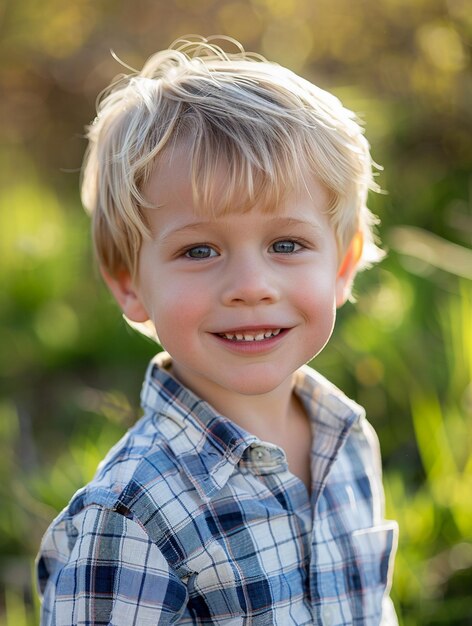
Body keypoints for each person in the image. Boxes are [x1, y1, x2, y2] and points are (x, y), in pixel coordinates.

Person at [36, 35, 398, 625]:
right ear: (129, 282)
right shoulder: (131, 517)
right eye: (199, 249)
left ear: (342, 263)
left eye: (287, 244)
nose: (250, 284)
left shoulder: (346, 438)